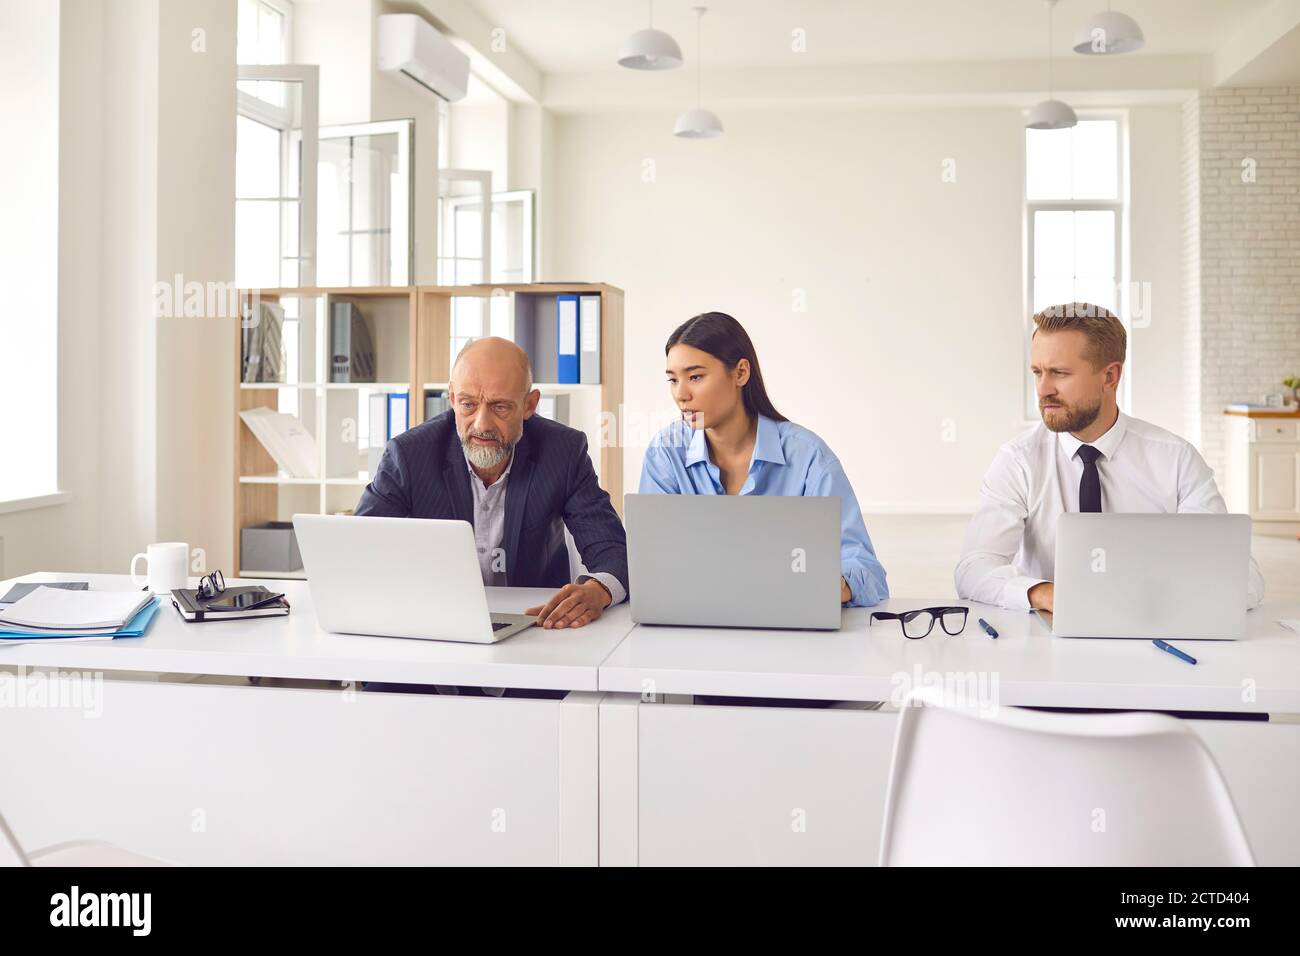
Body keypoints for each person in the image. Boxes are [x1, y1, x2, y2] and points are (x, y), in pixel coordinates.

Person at [955, 302, 1264, 612]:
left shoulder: (1176, 460)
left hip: (1152, 626)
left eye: (1059, 373)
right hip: (1048, 636)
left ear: (1110, 376)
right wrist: (1047, 594)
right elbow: (973, 569)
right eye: (1038, 372)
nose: (1043, 389)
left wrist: (1156, 595)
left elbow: (1244, 578)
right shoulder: (1018, 461)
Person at [356, 336, 628, 630]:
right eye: (468, 404)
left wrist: (597, 590)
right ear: (451, 398)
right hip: (433, 623)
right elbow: (358, 550)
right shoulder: (409, 455)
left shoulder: (563, 452)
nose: (481, 424)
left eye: (500, 407)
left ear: (529, 405)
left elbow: (613, 550)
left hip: (534, 628)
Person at [639, 311, 889, 608]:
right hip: (696, 623)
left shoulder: (808, 457)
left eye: (695, 377)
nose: (681, 395)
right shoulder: (666, 453)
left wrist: (831, 585)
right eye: (672, 380)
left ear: (740, 373)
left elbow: (867, 572)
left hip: (788, 628)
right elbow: (650, 562)